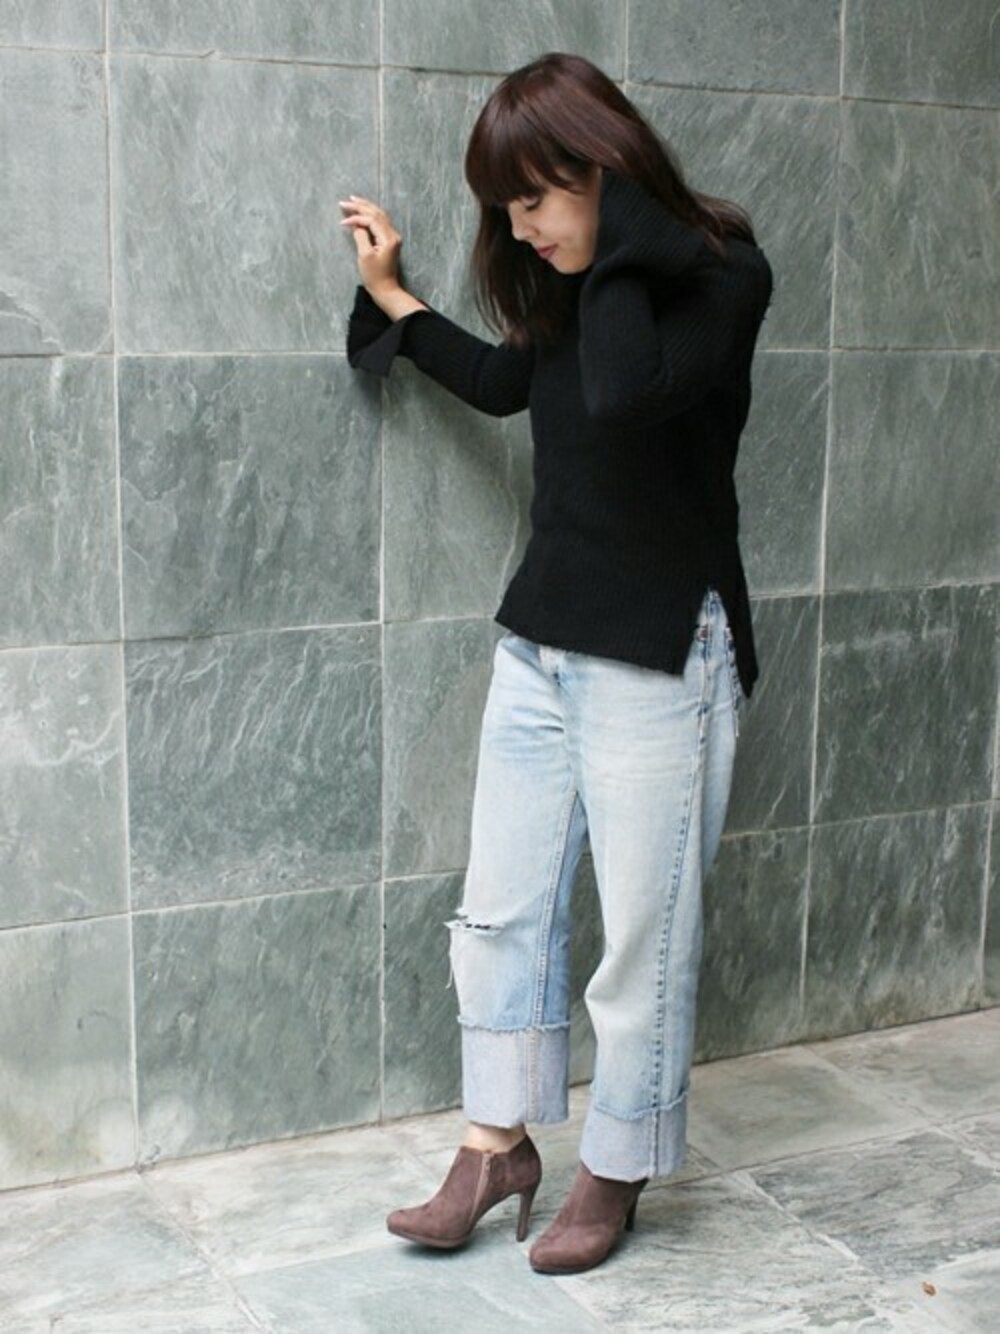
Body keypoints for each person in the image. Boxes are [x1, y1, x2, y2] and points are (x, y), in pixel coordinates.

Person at [340, 51, 773, 1275]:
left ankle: (616, 1165)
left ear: (606, 170)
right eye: (506, 208)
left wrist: (621, 233)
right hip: (541, 643)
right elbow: (498, 383)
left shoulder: (723, 274)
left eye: (537, 198)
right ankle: (493, 1145)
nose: (524, 228)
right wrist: (392, 294)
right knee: (502, 910)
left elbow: (629, 392)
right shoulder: (571, 283)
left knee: (642, 936)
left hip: (660, 649)